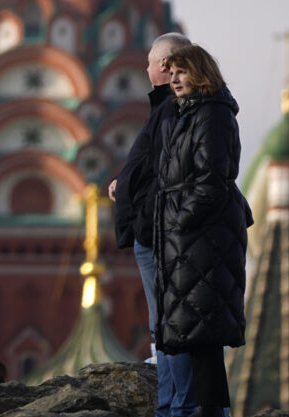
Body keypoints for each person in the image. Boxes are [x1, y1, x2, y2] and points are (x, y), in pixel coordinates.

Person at [155, 45, 253, 417]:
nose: (175, 79)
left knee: (203, 323)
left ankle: (209, 408)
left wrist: (180, 221)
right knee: (194, 325)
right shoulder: (189, 113)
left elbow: (211, 178)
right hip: (190, 238)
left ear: (201, 74)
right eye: (172, 72)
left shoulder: (212, 114)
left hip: (202, 238)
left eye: (182, 72)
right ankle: (204, 406)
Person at [108, 32, 195, 417]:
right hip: (154, 227)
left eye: (149, 62)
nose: (145, 69)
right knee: (164, 325)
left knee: (170, 325)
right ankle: (172, 404)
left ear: (162, 65)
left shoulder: (177, 110)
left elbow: (167, 173)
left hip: (158, 231)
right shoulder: (168, 108)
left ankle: (178, 407)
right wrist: (125, 184)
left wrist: (142, 214)